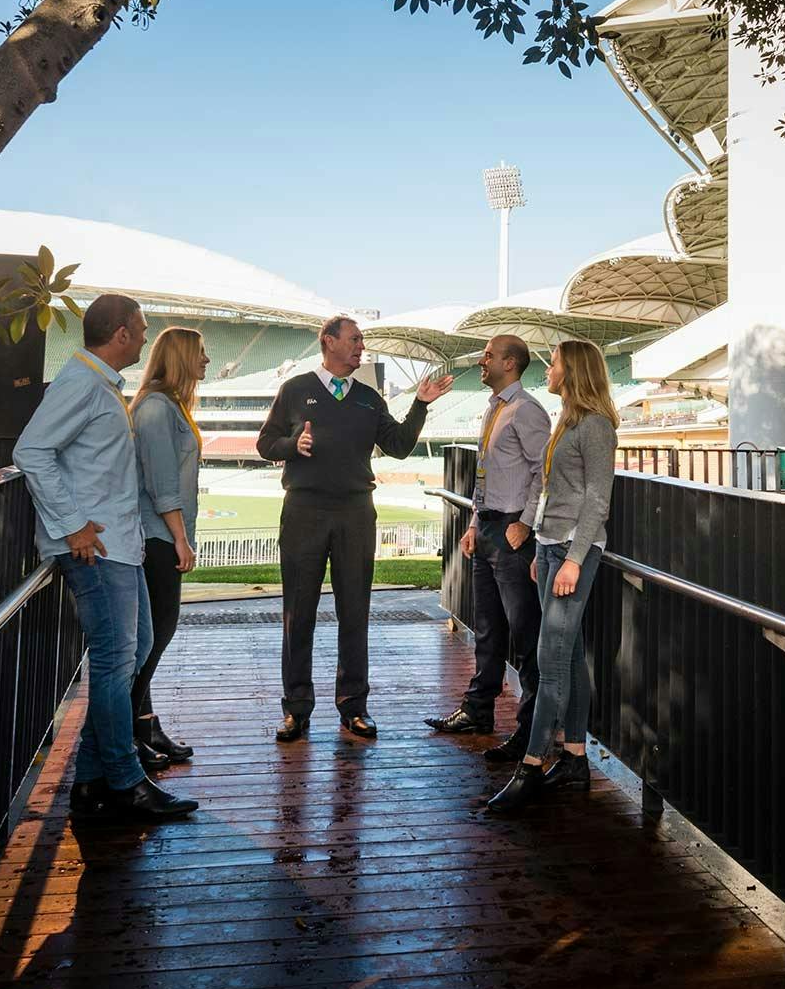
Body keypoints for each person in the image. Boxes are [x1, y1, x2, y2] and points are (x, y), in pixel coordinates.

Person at [14, 294, 198, 822]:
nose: (144, 338)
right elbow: (31, 451)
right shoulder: (80, 382)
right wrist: (71, 525)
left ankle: (93, 781)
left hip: (119, 544)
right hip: (97, 549)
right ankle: (124, 781)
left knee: (133, 651)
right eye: (140, 329)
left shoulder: (101, 386)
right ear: (120, 333)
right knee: (118, 662)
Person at [255, 315, 454, 740]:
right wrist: (293, 446)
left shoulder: (369, 397)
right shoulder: (295, 389)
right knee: (298, 614)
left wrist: (419, 404)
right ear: (329, 342)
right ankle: (296, 709)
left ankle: (353, 707)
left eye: (362, 339)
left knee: (354, 612)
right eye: (354, 339)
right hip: (304, 512)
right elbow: (265, 443)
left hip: (355, 513)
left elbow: (399, 447)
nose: (361, 346)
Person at [486, 338, 617, 814]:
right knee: (571, 655)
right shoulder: (567, 420)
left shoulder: (597, 426)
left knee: (551, 658)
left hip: (573, 552)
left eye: (555, 363)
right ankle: (576, 758)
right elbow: (554, 492)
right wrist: (543, 546)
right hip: (550, 547)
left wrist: (576, 559)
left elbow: (597, 501)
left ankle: (533, 764)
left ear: (574, 371)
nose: (549, 369)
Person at [425, 334, 550, 761]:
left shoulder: (527, 411)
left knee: (526, 635)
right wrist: (475, 524)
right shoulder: (494, 408)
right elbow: (484, 477)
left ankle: (530, 730)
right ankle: (478, 711)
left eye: (489, 355)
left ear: (510, 363)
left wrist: (525, 524)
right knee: (488, 628)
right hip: (488, 531)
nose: (482, 361)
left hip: (514, 536)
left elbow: (542, 472)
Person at [130, 325, 206, 769]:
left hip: (161, 534)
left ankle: (145, 726)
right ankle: (130, 736)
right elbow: (161, 484)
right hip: (156, 537)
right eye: (200, 353)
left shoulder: (171, 404)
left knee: (153, 637)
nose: (206, 361)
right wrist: (180, 538)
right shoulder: (157, 408)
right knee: (154, 637)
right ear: (179, 357)